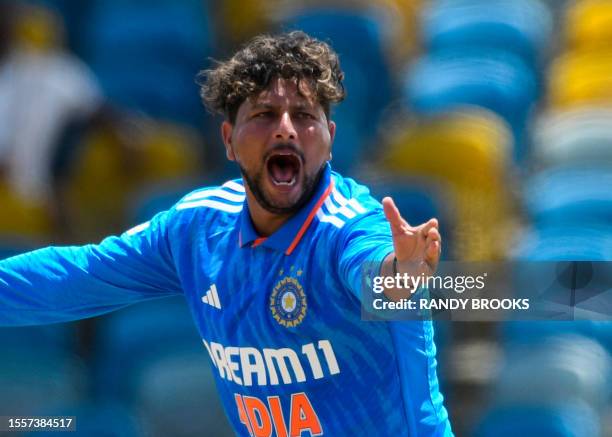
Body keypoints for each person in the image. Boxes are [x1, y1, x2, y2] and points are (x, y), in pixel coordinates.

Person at [0, 31, 451, 436]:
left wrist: (400, 276)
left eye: (304, 115)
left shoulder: (348, 225)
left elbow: (374, 269)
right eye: (264, 114)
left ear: (329, 137)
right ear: (229, 139)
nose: (286, 129)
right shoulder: (196, 229)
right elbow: (77, 276)